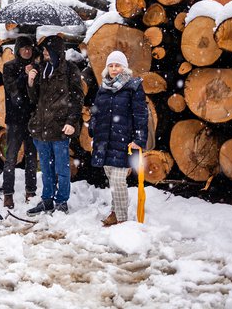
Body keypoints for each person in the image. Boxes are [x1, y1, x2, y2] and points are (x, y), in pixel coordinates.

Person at [26, 36, 83, 216]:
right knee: (45, 167)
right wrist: (30, 81)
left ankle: (61, 201)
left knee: (62, 168)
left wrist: (71, 122)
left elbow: (77, 99)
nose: (44, 54)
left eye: (47, 51)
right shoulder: (42, 69)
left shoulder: (70, 70)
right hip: (41, 128)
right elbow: (34, 99)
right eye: (43, 52)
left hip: (60, 128)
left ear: (57, 51)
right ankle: (47, 200)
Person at [88, 50, 147, 226]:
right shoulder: (103, 88)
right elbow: (95, 112)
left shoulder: (133, 87)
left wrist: (139, 138)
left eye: (117, 65)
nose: (114, 69)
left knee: (118, 180)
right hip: (104, 141)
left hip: (124, 141)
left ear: (124, 67)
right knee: (112, 179)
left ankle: (121, 218)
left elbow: (141, 115)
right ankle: (115, 212)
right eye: (111, 65)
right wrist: (92, 128)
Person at [1, 36, 38, 209]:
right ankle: (8, 194)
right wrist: (25, 75)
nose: (27, 51)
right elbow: (12, 89)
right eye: (24, 48)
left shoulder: (36, 66)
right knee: (11, 157)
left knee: (31, 158)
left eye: (29, 48)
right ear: (17, 50)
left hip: (32, 118)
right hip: (15, 119)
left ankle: (30, 191)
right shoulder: (9, 67)